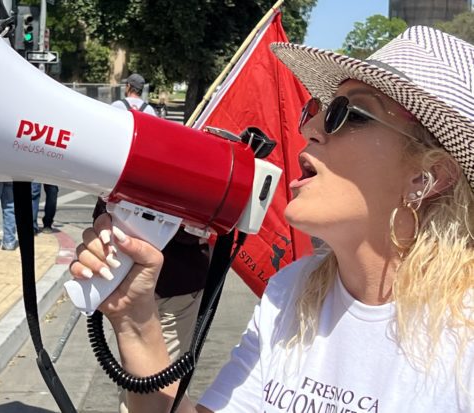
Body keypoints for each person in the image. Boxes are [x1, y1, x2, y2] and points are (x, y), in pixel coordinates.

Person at [69, 26, 474, 412]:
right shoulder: (291, 292)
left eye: (349, 113)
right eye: (318, 109)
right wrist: (136, 320)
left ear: (427, 176)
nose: (312, 128)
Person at [102, 72, 209, 413]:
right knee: (143, 382)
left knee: (157, 386)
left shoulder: (118, 130)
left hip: (174, 286)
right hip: (154, 285)